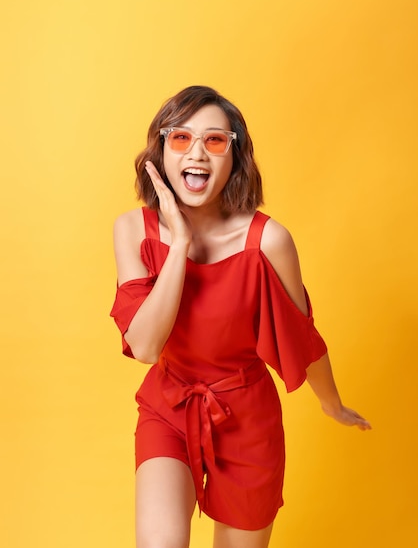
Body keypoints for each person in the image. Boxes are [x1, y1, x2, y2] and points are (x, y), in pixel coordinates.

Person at [110, 85, 371, 548]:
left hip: (248, 421)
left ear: (236, 156)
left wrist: (332, 404)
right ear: (160, 151)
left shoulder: (269, 242)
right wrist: (181, 244)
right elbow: (146, 347)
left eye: (214, 141)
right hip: (169, 406)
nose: (197, 153)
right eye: (181, 138)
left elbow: (302, 340)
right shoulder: (133, 230)